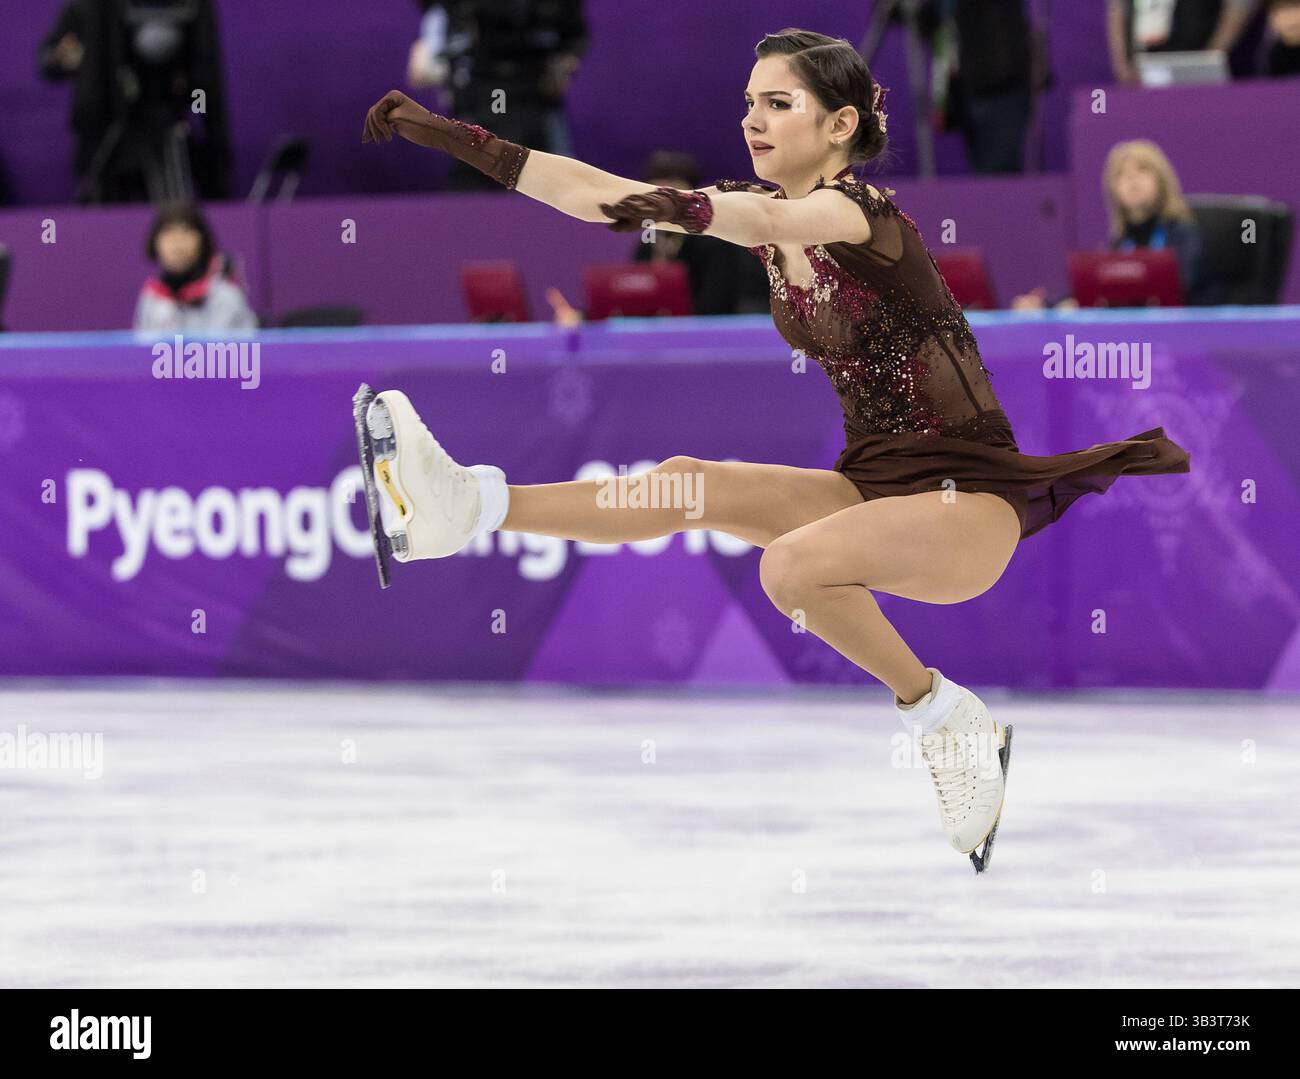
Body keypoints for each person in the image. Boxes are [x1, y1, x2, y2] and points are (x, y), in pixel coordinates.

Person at [355, 28, 1190, 872]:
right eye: (749, 103)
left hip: (966, 506)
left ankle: (945, 718)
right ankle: (469, 507)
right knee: (685, 485)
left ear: (840, 125)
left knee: (787, 569)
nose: (753, 120)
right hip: (872, 490)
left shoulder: (856, 212)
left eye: (778, 103)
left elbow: (755, 212)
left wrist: (682, 207)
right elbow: (600, 194)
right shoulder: (767, 217)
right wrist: (456, 136)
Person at [1012, 138, 1221, 309]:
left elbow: (1176, 286)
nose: (1132, 179)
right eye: (1122, 174)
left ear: (1162, 181)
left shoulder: (1185, 233)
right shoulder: (1119, 244)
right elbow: (1089, 290)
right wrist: (1046, 306)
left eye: (1142, 170)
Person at [630, 151, 770, 315]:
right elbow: (638, 293)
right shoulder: (650, 240)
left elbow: (717, 301)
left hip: (724, 324)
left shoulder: (714, 240)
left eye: (672, 195)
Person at [134, 202, 257, 332]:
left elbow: (231, 349)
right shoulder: (152, 296)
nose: (177, 243)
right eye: (168, 232)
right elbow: (141, 348)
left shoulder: (224, 295)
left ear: (202, 241)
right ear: (155, 242)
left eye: (187, 232)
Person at [1107, 0, 1258, 85]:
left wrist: (1213, 56)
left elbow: (1240, 5)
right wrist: (1123, 65)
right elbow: (1118, 8)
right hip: (1142, 65)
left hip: (1198, 63)